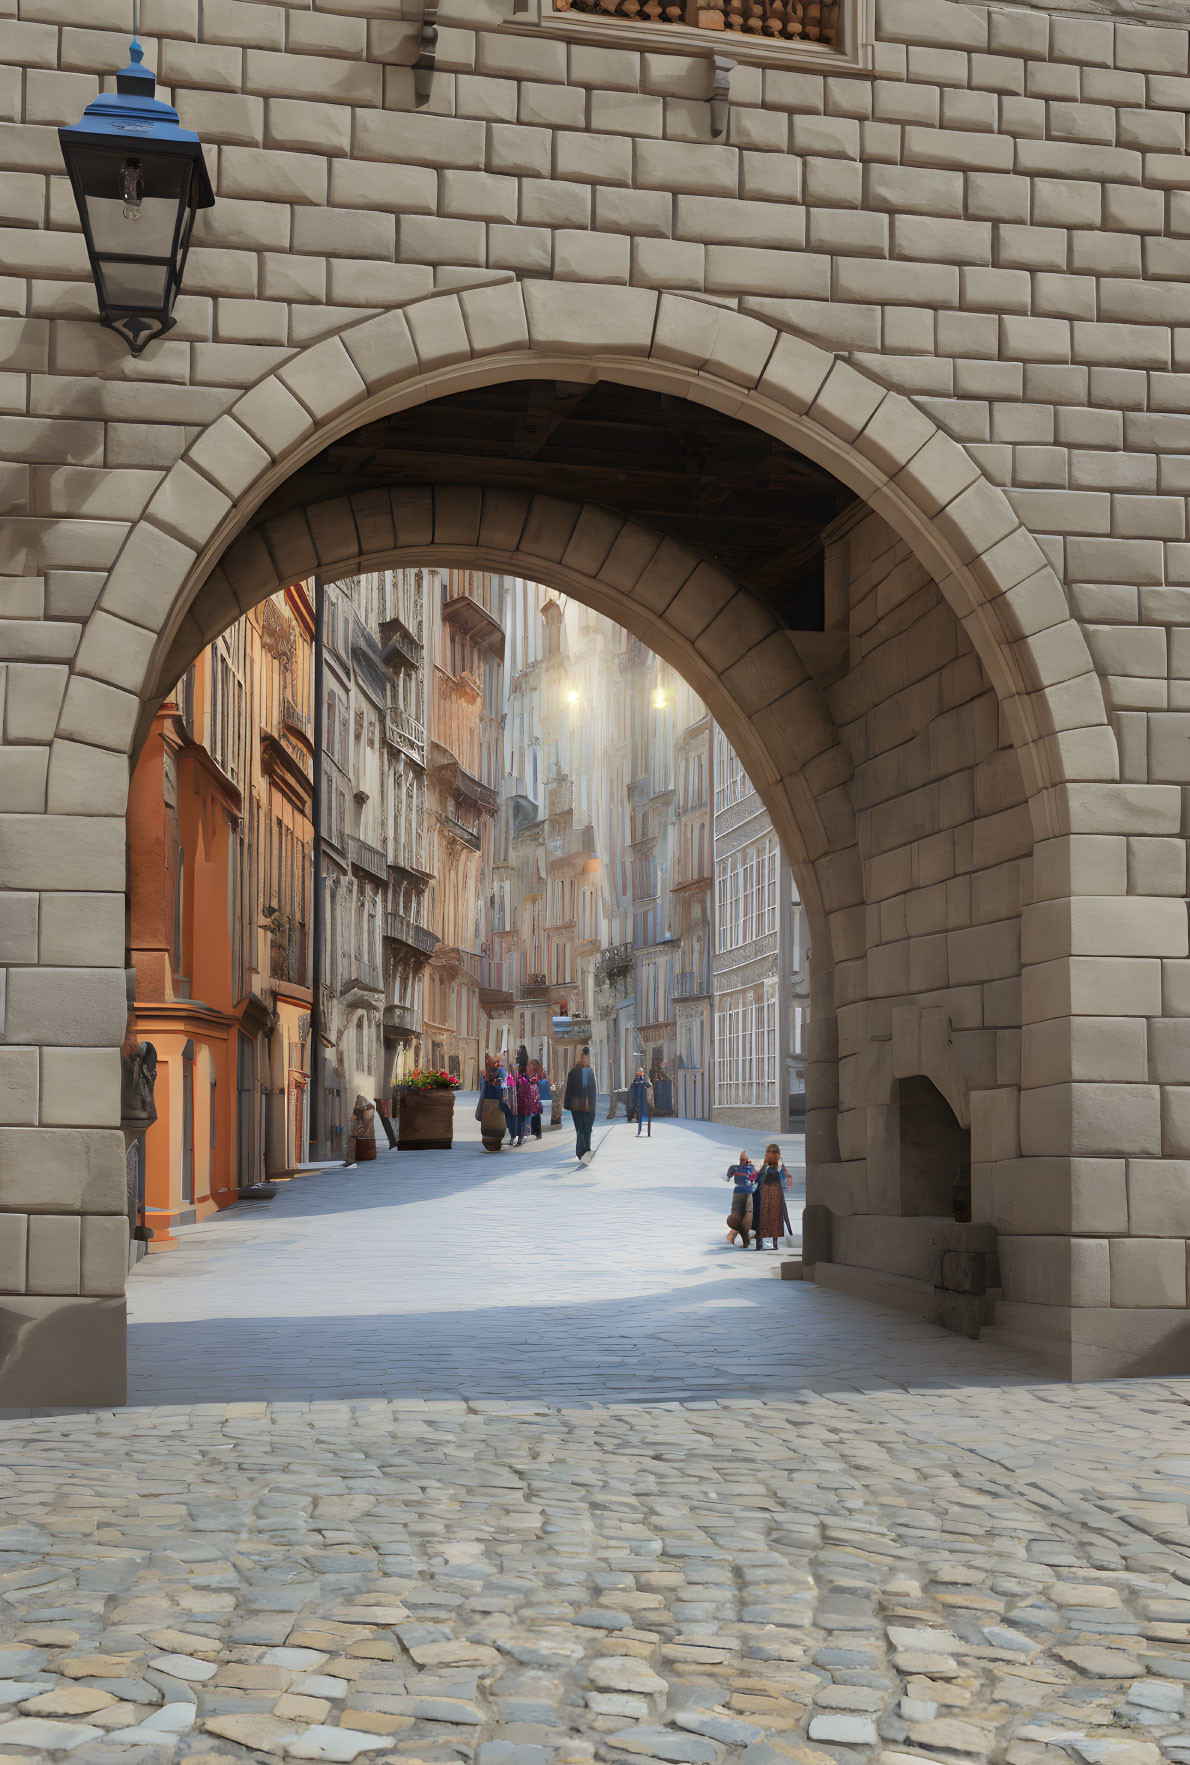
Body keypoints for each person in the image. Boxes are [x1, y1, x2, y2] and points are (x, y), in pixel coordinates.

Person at [754, 1141, 793, 1250]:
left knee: (775, 1218)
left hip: (775, 1193)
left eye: (774, 1152)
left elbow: (783, 1178)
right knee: (763, 1218)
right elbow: (758, 1179)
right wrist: (765, 1166)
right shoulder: (763, 1165)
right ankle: (759, 1243)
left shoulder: (780, 1166)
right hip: (764, 1193)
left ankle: (774, 1244)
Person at [563, 1046, 598, 1164]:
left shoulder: (588, 1072)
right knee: (581, 1129)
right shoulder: (574, 1072)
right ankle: (582, 1151)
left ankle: (585, 1151)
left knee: (585, 1129)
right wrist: (568, 1104)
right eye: (586, 1057)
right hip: (578, 1106)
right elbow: (570, 1090)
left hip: (586, 1107)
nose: (586, 1059)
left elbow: (592, 1091)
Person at [725, 1151, 757, 1247]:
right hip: (738, 1193)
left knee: (747, 1215)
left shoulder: (751, 1167)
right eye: (740, 1160)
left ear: (746, 1160)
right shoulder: (735, 1168)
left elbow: (754, 1177)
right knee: (736, 1216)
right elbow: (728, 1176)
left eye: (743, 1160)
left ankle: (746, 1240)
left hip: (747, 1193)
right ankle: (744, 1236)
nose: (741, 1161)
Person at [513, 1059, 538, 1147]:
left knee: (524, 1119)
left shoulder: (529, 1078)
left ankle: (523, 1136)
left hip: (525, 1102)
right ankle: (522, 1136)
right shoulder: (524, 1078)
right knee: (522, 1119)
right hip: (523, 1102)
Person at [628, 1066, 653, 1138]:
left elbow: (648, 1084)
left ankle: (638, 1119)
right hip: (637, 1096)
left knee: (640, 1108)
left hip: (642, 1097)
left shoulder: (645, 1077)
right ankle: (636, 1117)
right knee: (637, 1107)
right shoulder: (636, 1079)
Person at [529, 1060, 547, 1139]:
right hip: (533, 1100)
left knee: (535, 1115)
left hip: (535, 1100)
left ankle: (536, 1132)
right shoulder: (533, 1077)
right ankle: (536, 1132)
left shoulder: (537, 1079)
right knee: (535, 1115)